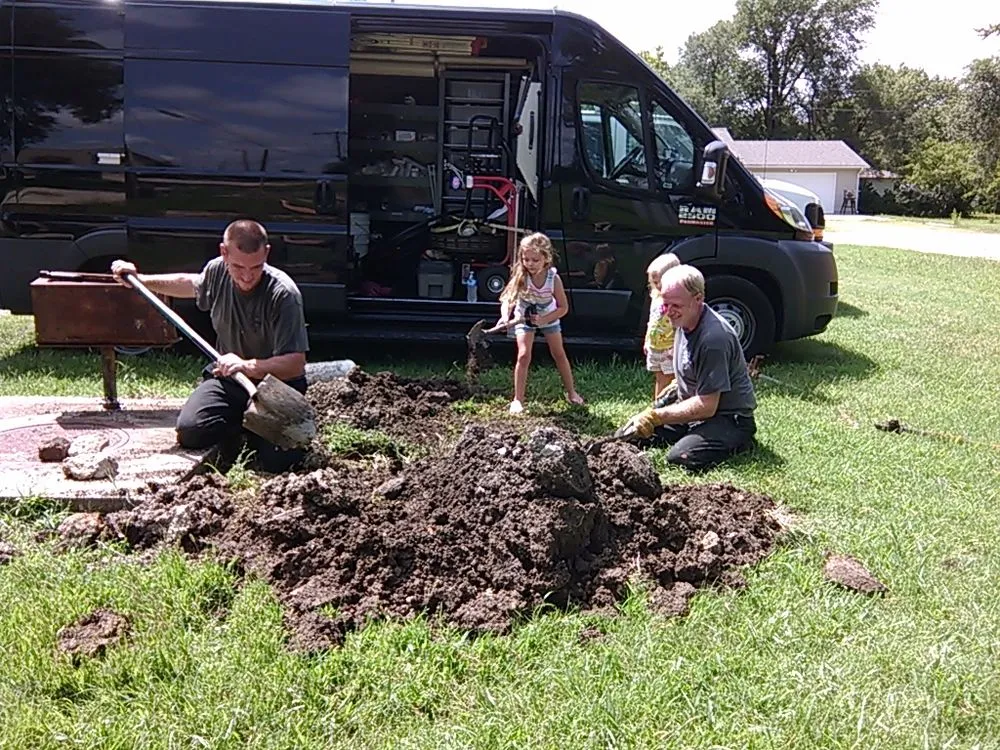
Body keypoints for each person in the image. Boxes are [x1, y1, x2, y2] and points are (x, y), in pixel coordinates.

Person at [111, 219, 310, 472]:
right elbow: (191, 284)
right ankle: (244, 425)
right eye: (238, 267)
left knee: (278, 461)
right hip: (231, 381)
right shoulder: (217, 271)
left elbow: (295, 363)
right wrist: (141, 280)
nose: (247, 276)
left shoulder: (284, 294)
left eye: (256, 267)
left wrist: (247, 365)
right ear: (224, 252)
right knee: (191, 432)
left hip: (277, 387)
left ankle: (255, 431)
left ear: (267, 253)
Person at [623, 264, 757, 471]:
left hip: (727, 417)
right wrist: (663, 401)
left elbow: (707, 405)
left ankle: (739, 442)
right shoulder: (684, 321)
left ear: (698, 299)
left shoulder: (713, 339)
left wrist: (658, 416)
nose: (669, 312)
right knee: (629, 435)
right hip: (693, 407)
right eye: (665, 305)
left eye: (675, 305)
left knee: (680, 456)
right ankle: (690, 432)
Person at [497, 232, 585, 415]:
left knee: (559, 354)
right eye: (526, 259)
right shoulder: (521, 276)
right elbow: (508, 299)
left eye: (535, 260)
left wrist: (545, 319)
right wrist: (506, 317)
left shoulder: (553, 279)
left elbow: (564, 308)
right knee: (523, 355)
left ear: (546, 258)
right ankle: (518, 400)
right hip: (524, 316)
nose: (530, 264)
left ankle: (572, 393)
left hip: (548, 316)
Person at [643, 252, 681, 401]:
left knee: (669, 379)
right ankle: (658, 404)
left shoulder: (676, 304)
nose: (657, 285)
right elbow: (652, 321)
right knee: (659, 377)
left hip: (669, 348)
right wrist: (647, 340)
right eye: (654, 282)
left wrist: (676, 347)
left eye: (659, 282)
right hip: (655, 346)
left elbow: (679, 327)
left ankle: (665, 406)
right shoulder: (655, 298)